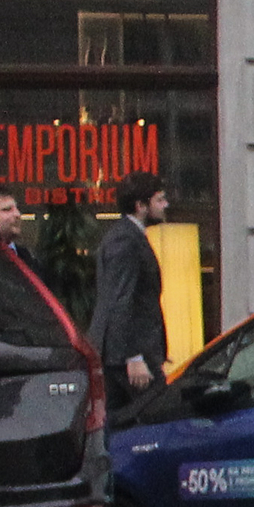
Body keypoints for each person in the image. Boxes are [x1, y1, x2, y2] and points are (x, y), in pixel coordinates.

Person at [88, 172, 170, 429]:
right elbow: (121, 299)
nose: (165, 205)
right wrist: (133, 357)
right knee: (158, 417)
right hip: (127, 354)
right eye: (159, 200)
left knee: (120, 424)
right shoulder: (126, 240)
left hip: (120, 352)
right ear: (140, 206)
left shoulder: (126, 236)